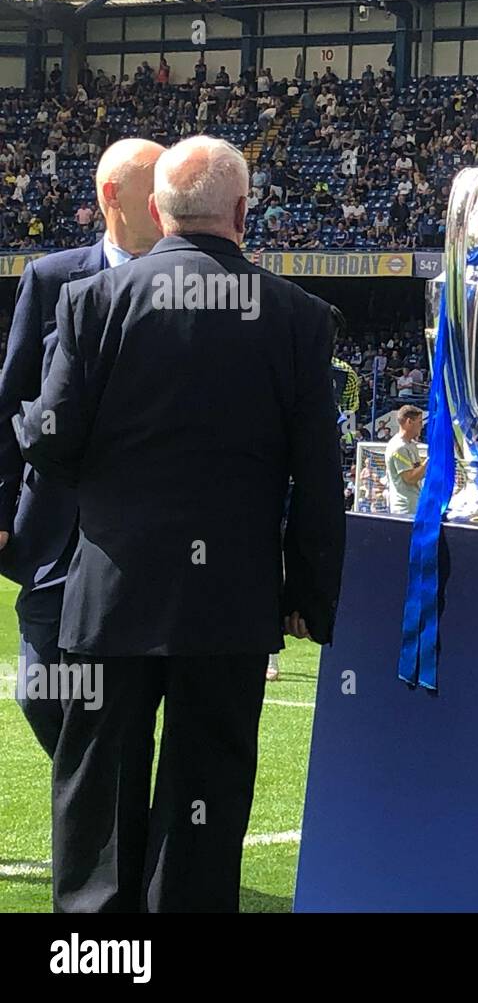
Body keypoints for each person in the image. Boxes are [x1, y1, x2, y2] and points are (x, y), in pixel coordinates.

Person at [16, 135, 345, 912]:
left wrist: (46, 429)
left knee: (100, 788)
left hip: (112, 594)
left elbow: (49, 443)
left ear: (159, 210)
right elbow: (319, 477)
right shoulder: (298, 316)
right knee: (206, 792)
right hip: (229, 604)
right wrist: (309, 594)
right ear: (241, 210)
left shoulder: (93, 300)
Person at [0, 138, 164, 758]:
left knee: (122, 697)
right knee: (40, 690)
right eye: (154, 189)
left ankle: (109, 823)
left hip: (147, 536)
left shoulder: (194, 286)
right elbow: (11, 396)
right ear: (111, 197)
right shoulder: (50, 277)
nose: (166, 200)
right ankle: (101, 804)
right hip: (55, 534)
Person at [384, 405, 427, 515]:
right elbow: (410, 479)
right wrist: (430, 461)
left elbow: (418, 473)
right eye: (420, 422)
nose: (422, 426)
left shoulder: (411, 445)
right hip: (404, 510)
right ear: (409, 422)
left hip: (415, 505)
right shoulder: (399, 447)